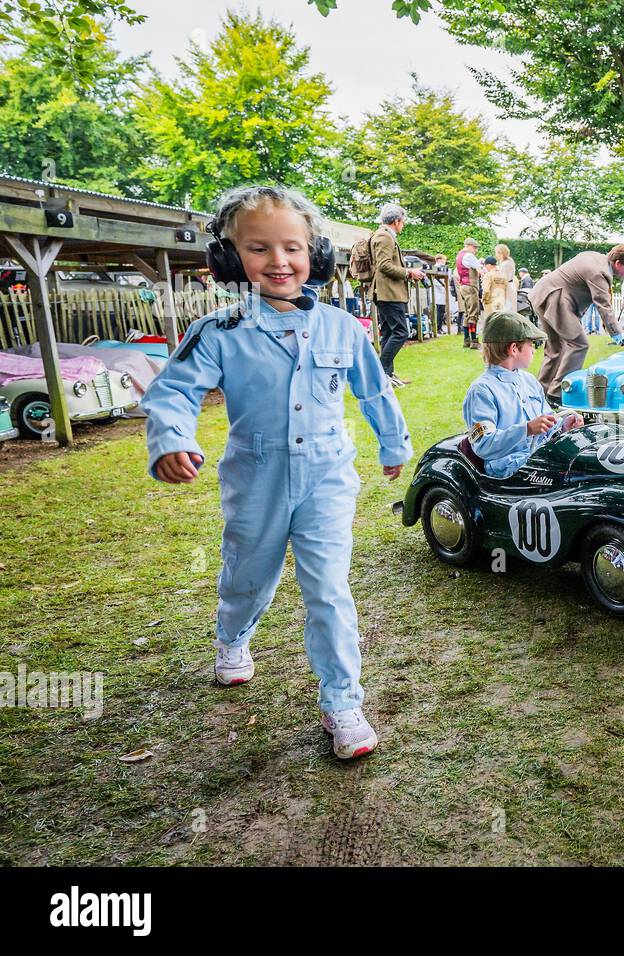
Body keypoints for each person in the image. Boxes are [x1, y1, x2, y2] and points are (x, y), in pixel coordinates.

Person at [142, 185, 412, 760]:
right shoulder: (219, 331)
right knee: (248, 576)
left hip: (328, 475)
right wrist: (172, 439)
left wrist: (393, 443)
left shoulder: (344, 328)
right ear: (228, 258)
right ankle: (232, 637)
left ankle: (342, 700)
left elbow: (373, 389)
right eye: (258, 248)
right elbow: (174, 392)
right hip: (255, 475)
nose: (278, 261)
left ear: (315, 253)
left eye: (292, 247)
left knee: (329, 590)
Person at [463, 311, 583, 478]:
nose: (534, 350)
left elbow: (547, 421)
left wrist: (563, 425)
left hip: (539, 458)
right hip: (510, 471)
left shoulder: (529, 381)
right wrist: (526, 429)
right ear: (513, 349)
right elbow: (484, 444)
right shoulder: (482, 390)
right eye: (531, 344)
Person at [531, 244, 624, 404]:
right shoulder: (600, 272)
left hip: (542, 293)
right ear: (618, 263)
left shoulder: (595, 257)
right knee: (579, 344)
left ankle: (541, 392)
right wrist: (623, 340)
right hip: (556, 299)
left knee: (555, 349)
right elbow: (604, 307)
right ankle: (558, 394)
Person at [369, 202, 424, 388]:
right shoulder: (384, 237)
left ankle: (388, 376)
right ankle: (379, 372)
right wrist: (409, 273)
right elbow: (383, 265)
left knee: (388, 333)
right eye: (403, 221)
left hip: (387, 292)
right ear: (396, 221)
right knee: (401, 332)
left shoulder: (385, 235)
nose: (404, 224)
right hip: (389, 293)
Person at [456, 237, 482, 349]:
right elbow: (479, 269)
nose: (476, 250)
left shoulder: (459, 255)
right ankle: (474, 341)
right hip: (471, 286)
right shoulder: (469, 255)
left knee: (467, 314)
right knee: (473, 314)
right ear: (470, 246)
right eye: (475, 248)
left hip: (463, 286)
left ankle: (466, 340)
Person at [432, 253, 450, 333]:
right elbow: (436, 281)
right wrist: (443, 287)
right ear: (439, 260)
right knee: (439, 312)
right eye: (444, 260)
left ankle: (439, 327)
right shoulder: (436, 268)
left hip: (442, 293)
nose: (445, 262)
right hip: (438, 293)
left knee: (441, 312)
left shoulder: (440, 267)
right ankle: (438, 328)